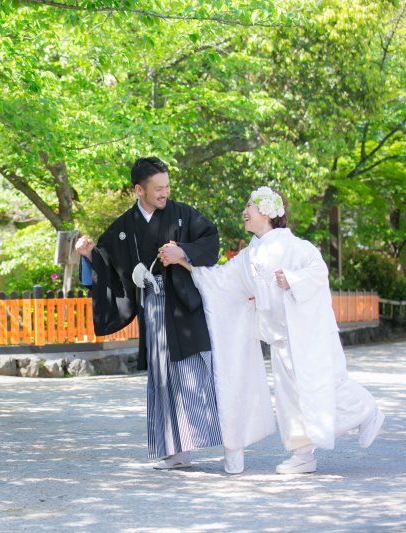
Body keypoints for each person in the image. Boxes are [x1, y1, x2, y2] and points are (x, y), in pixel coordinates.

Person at [75, 157, 273, 472]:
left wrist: (183, 253)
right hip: (153, 309)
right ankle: (177, 451)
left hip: (185, 307)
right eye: (157, 188)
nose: (164, 192)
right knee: (163, 379)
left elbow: (210, 239)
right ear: (138, 190)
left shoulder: (182, 214)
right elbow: (106, 261)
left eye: (167, 186)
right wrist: (89, 255)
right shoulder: (124, 227)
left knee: (202, 375)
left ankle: (232, 446)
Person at [170, 187, 385, 474]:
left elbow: (319, 272)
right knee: (290, 398)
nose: (244, 212)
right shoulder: (249, 256)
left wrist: (293, 280)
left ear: (268, 212)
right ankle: (303, 454)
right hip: (280, 337)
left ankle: (366, 408)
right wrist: (182, 260)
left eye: (250, 206)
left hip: (307, 333)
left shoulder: (297, 247)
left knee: (322, 384)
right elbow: (220, 280)